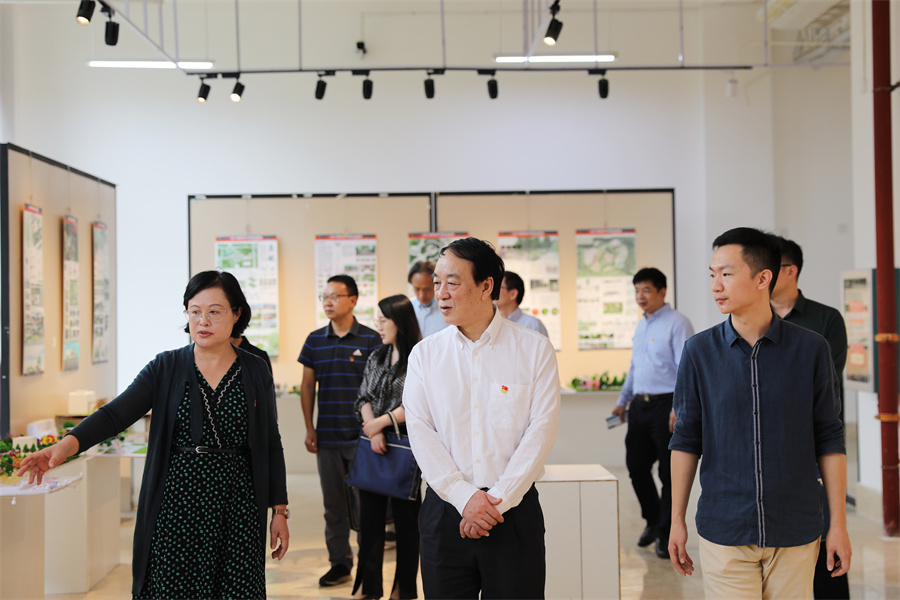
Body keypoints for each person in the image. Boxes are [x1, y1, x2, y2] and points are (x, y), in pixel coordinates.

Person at [18, 270, 289, 599]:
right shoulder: (165, 367)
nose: (202, 320)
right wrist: (64, 446)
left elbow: (271, 443)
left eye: (214, 311)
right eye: (194, 311)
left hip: (239, 503)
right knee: (172, 588)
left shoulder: (255, 368)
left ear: (236, 313)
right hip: (175, 502)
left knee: (236, 589)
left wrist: (279, 510)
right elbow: (115, 414)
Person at [668, 227, 850, 599]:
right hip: (725, 527)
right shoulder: (699, 352)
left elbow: (829, 438)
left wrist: (839, 525)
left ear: (763, 278)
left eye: (727, 274)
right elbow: (686, 439)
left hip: (795, 527)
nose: (716, 285)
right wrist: (676, 520)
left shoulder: (811, 349)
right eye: (712, 274)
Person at [403, 237, 561, 599]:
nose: (440, 293)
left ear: (486, 286)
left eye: (452, 283)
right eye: (437, 282)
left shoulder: (533, 349)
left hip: (512, 513)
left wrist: (496, 501)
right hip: (445, 512)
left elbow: (541, 432)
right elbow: (421, 433)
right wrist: (465, 498)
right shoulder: (425, 355)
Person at [771, 235, 850, 600]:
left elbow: (825, 383)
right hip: (770, 447)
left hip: (816, 444)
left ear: (791, 271)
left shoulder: (826, 319)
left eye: (770, 268)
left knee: (826, 534)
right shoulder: (753, 318)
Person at [298, 274, 383, 587]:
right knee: (333, 506)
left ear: (353, 300)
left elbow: (379, 389)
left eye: (335, 296)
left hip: (363, 439)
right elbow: (308, 386)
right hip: (328, 437)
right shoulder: (314, 340)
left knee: (365, 507)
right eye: (325, 297)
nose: (328, 302)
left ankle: (368, 568)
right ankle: (340, 564)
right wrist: (310, 427)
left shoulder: (371, 340)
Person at [612, 267, 693, 559]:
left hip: (666, 405)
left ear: (662, 291)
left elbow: (686, 369)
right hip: (639, 406)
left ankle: (664, 532)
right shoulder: (642, 325)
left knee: (669, 474)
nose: (640, 296)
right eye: (637, 291)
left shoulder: (677, 323)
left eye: (646, 290)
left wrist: (678, 406)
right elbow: (635, 367)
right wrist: (623, 401)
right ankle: (653, 519)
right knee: (636, 467)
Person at [352, 294, 423, 600]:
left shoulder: (420, 356)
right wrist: (373, 430)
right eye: (377, 320)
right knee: (369, 525)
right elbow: (363, 397)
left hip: (406, 447)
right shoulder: (377, 356)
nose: (378, 326)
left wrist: (381, 424)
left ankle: (403, 589)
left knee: (408, 526)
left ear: (400, 322)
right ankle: (368, 589)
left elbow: (419, 403)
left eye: (383, 320)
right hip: (375, 446)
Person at [495, 270, 550, 337]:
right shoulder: (491, 324)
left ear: (513, 294)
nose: (492, 291)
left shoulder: (533, 325)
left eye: (498, 287)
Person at [408, 260, 450, 337]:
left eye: (427, 289)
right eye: (417, 289)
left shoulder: (448, 310)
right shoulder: (408, 308)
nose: (422, 295)